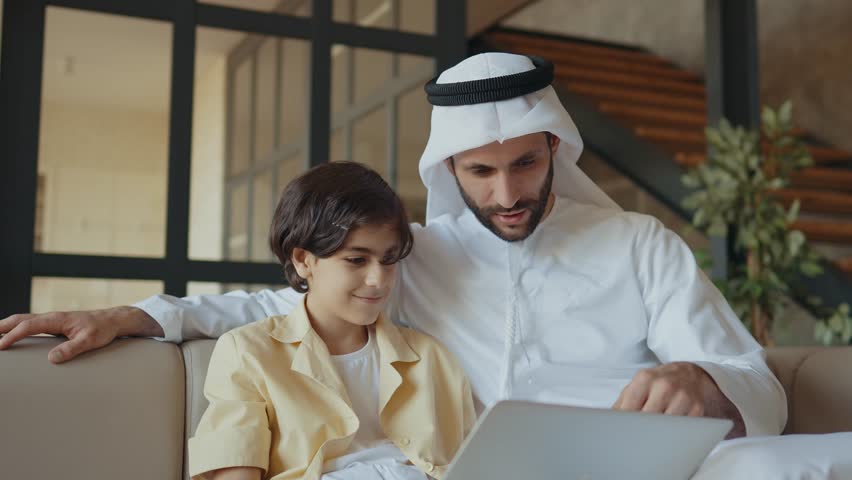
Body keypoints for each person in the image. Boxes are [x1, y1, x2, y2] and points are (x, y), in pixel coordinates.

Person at [2, 53, 788, 459]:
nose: (507, 191)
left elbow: (757, 383)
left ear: (557, 147)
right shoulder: (412, 259)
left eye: (526, 164)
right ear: (449, 170)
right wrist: (122, 314)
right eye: (481, 172)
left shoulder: (640, 245)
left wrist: (704, 383)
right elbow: (270, 306)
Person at [188, 161, 474, 480]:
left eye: (389, 260)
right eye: (356, 260)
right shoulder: (248, 353)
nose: (378, 279)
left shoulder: (432, 359)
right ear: (303, 260)